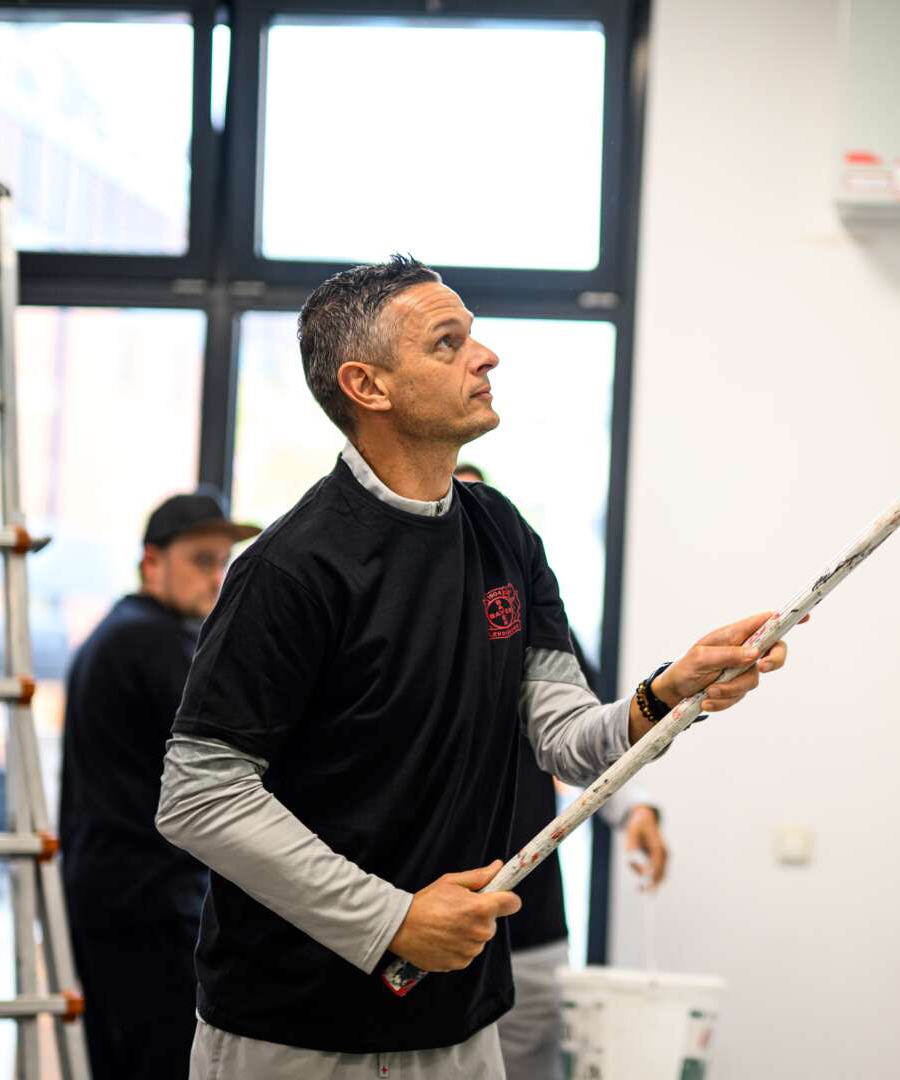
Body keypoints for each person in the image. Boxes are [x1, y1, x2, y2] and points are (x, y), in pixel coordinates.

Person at [154, 255, 793, 1079]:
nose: (484, 356)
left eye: (474, 337)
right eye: (448, 343)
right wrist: (390, 920)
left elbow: (565, 738)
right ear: (369, 386)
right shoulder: (291, 567)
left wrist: (666, 696)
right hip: (295, 1035)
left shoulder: (501, 532)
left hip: (460, 1026)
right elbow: (199, 795)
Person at [453, 463, 670, 1080]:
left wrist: (637, 809)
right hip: (420, 920)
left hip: (529, 920)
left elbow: (588, 737)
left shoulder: (531, 621)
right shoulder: (392, 622)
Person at [58, 490, 260, 1080]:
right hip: (145, 904)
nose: (215, 579)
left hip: (115, 896)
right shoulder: (150, 642)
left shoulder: (120, 632)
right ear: (152, 561)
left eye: (223, 563)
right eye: (201, 560)